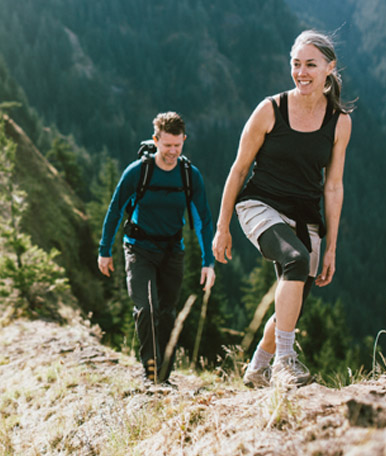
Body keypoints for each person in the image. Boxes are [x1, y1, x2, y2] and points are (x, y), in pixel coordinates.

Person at [212, 30, 353, 388]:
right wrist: (222, 225)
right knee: (295, 260)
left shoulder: (339, 122)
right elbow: (239, 169)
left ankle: (258, 367)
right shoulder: (270, 110)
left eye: (310, 64)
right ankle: (285, 363)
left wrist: (332, 246)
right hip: (260, 204)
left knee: (292, 303)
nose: (301, 72)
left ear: (329, 68)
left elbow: (333, 186)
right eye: (296, 64)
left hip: (306, 215)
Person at [98, 111, 216, 386]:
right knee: (146, 309)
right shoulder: (138, 171)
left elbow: (203, 220)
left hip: (172, 251)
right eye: (167, 146)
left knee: (167, 312)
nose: (172, 151)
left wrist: (208, 262)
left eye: (178, 145)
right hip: (139, 249)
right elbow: (115, 211)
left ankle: (164, 375)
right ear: (156, 140)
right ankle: (151, 373)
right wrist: (104, 250)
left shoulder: (189, 176)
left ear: (184, 140)